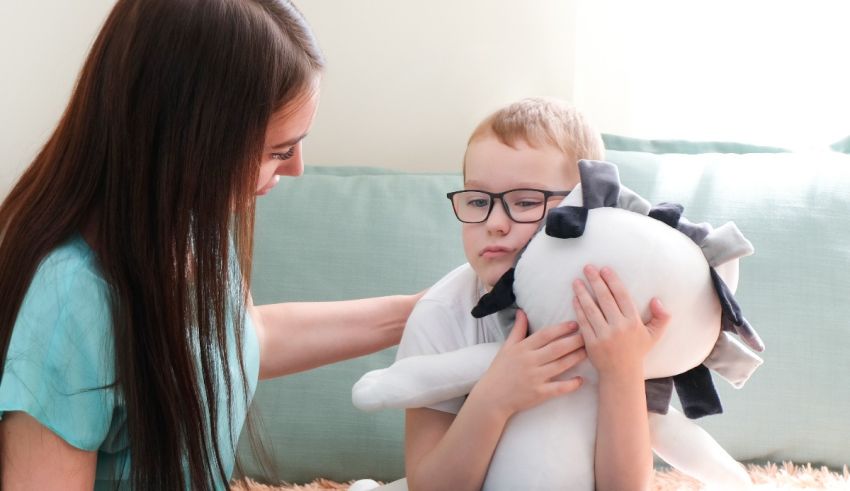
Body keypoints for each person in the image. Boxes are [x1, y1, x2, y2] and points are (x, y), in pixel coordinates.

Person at [0, 1, 421, 490]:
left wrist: (418, 312)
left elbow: (246, 336)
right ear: (190, 143)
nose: (297, 168)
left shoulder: (189, 216)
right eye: (278, 150)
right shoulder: (70, 301)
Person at [397, 98, 671, 491]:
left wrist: (622, 372)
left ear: (586, 205)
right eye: (477, 201)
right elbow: (428, 486)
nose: (493, 223)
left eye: (525, 202)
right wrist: (494, 398)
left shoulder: (612, 313)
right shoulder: (441, 315)